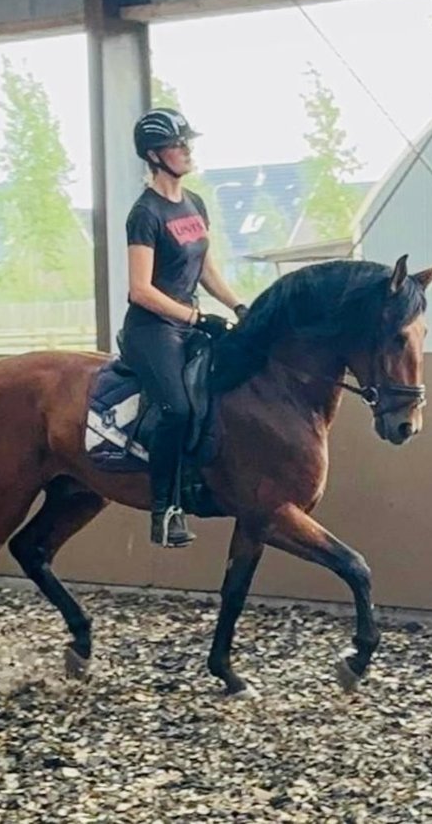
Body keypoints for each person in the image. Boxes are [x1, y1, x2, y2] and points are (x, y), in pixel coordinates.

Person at [121, 108, 248, 548]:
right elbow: (140, 289)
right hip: (152, 329)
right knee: (177, 408)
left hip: (188, 322)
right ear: (155, 155)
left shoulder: (194, 203)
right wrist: (195, 317)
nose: (187, 150)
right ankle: (165, 509)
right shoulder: (145, 213)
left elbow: (206, 268)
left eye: (187, 143)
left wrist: (237, 304)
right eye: (179, 145)